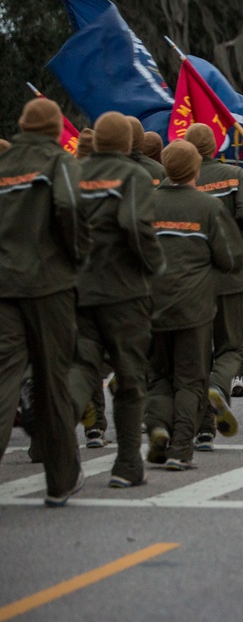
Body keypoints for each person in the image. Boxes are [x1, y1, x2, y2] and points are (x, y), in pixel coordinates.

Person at [0, 98, 91, 506]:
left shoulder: (3, 163)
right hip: (49, 285)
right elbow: (70, 205)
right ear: (56, 130)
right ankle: (61, 480)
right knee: (52, 383)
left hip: (5, 286)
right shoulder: (59, 162)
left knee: (4, 379)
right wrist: (75, 253)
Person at [67, 111, 164, 487]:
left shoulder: (71, 172)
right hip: (124, 290)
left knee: (83, 364)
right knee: (129, 377)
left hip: (79, 286)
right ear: (127, 143)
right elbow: (136, 227)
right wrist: (154, 266)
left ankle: (60, 420)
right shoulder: (133, 175)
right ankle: (126, 465)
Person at [146, 139, 243, 470]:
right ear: (196, 170)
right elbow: (227, 258)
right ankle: (180, 448)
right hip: (193, 307)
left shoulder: (146, 202)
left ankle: (158, 426)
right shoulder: (208, 207)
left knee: (159, 375)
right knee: (191, 378)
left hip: (152, 303)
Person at [185, 123, 243, 450]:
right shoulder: (234, 175)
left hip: (192, 279)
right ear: (215, 145)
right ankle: (219, 386)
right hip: (229, 276)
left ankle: (203, 429)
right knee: (229, 346)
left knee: (198, 353)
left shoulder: (177, 178)